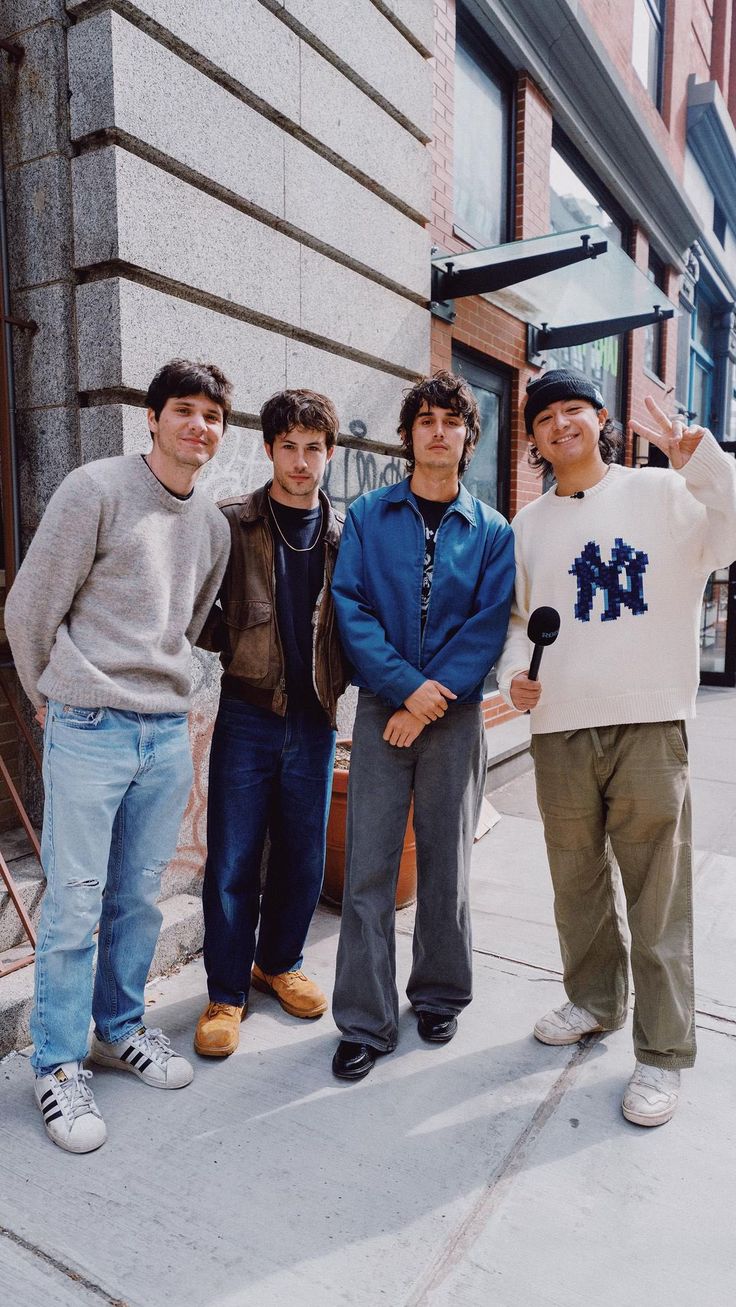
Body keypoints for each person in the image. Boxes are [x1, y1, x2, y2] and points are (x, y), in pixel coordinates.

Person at [496, 367, 736, 1127]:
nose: (561, 423)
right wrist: (514, 681)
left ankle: (662, 1053)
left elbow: (732, 524)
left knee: (657, 893)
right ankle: (594, 999)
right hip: (560, 726)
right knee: (577, 882)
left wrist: (701, 456)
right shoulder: (528, 525)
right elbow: (514, 623)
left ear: (600, 418)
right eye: (545, 416)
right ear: (532, 436)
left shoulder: (663, 493)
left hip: (649, 722)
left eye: (574, 409)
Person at [4, 359, 233, 1153]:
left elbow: (190, 621)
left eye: (211, 414)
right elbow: (30, 605)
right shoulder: (94, 489)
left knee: (137, 897)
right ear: (152, 417)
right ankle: (58, 1062)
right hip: (90, 726)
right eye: (183, 410)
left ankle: (118, 1026)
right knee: (73, 900)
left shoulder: (212, 525)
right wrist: (54, 694)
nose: (197, 426)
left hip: (165, 731)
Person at [328, 370, 515, 1080]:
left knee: (446, 863)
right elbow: (352, 607)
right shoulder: (371, 515)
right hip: (383, 709)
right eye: (426, 420)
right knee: (370, 868)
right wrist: (405, 692)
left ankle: (439, 991)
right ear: (407, 435)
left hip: (458, 716)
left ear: (470, 437)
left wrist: (431, 699)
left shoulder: (493, 530)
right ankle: (365, 1021)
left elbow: (486, 626)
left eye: (452, 421)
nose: (439, 430)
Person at [193, 389, 347, 1058]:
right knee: (231, 855)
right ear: (269, 448)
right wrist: (238, 646)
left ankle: (278, 963)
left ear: (329, 454)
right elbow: (196, 608)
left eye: (314, 448)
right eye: (289, 446)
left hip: (316, 720)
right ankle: (226, 991)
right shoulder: (232, 522)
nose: (301, 460)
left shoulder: (347, 534)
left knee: (302, 854)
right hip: (247, 712)